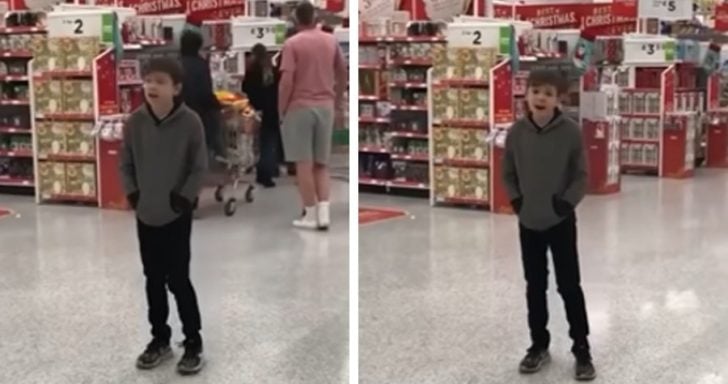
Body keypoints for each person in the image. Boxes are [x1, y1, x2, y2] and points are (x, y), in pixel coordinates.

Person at [502, 69, 595, 381]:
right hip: (528, 221)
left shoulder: (570, 132)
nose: (540, 97)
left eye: (548, 93)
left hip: (561, 220)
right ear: (526, 94)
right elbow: (508, 173)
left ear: (559, 100)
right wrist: (517, 202)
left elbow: (581, 174)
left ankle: (581, 348)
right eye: (535, 91)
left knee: (569, 285)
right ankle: (538, 344)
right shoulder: (516, 133)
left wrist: (566, 203)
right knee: (535, 286)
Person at [119, 58, 207, 375]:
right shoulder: (135, 122)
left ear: (176, 87)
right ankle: (159, 339)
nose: (151, 87)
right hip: (146, 213)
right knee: (152, 279)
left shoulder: (190, 122)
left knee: (179, 279)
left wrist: (183, 197)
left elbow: (199, 166)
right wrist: (133, 193)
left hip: (176, 213)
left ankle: (193, 341)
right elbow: (125, 163)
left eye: (159, 81)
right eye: (148, 81)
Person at [278, 1, 347, 230]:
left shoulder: (292, 44)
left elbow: (287, 80)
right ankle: (325, 213)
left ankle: (309, 213)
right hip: (325, 106)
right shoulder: (330, 40)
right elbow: (342, 72)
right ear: (315, 17)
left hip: (299, 107)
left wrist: (282, 108)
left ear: (296, 20)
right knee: (322, 164)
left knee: (304, 165)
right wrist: (336, 101)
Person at [179, 29, 223, 158]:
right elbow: (205, 92)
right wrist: (217, 105)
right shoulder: (201, 65)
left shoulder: (175, 64)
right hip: (200, 114)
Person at [242, 43, 281, 188]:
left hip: (255, 109)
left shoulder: (252, 71)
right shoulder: (272, 70)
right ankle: (268, 171)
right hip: (272, 110)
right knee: (269, 142)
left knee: (257, 142)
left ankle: (260, 169)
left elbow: (245, 88)